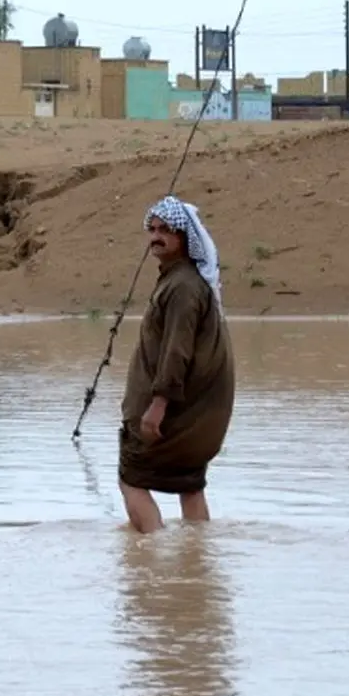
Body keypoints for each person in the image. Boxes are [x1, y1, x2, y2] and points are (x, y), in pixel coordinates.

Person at [118, 195, 235, 532]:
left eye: (166, 229)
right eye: (152, 229)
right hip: (194, 416)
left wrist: (157, 405)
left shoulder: (183, 287)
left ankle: (150, 559)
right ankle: (195, 556)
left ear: (185, 237)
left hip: (170, 412)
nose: (156, 235)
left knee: (131, 478)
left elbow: (176, 351)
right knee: (190, 484)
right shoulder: (181, 281)